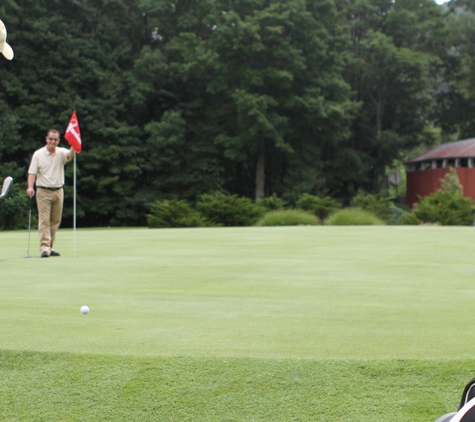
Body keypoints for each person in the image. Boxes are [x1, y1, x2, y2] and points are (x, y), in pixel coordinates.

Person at [26, 129, 75, 257]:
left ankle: (50, 247)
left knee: (55, 221)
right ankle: (44, 247)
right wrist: (30, 187)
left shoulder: (61, 152)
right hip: (43, 190)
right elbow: (32, 172)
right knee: (44, 220)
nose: (53, 141)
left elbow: (70, 154)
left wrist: (74, 144)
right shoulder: (38, 154)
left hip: (58, 190)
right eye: (50, 139)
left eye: (55, 139)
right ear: (46, 139)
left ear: (58, 141)